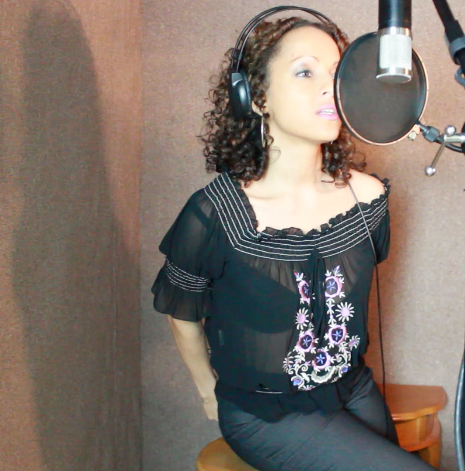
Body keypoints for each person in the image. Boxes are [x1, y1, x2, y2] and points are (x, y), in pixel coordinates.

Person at [151, 10, 435, 471]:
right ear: (256, 97)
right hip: (269, 414)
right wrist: (207, 392)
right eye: (305, 72)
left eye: (337, 74)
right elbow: (182, 315)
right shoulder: (213, 215)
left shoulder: (368, 199)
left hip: (354, 389)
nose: (330, 88)